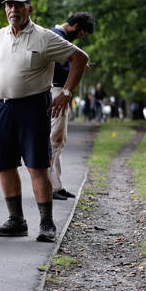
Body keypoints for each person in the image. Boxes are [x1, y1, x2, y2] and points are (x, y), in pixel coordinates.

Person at [0, 0, 88, 242]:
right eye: (9, 6)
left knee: (37, 165)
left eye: (19, 6)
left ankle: (47, 223)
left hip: (33, 108)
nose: (13, 11)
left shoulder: (45, 37)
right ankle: (16, 220)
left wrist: (66, 92)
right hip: (2, 109)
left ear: (29, 9)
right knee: (5, 165)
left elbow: (80, 58)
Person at [49, 12, 95, 200]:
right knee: (54, 139)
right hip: (57, 91)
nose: (80, 37)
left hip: (61, 92)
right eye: (81, 34)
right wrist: (79, 68)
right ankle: (50, 186)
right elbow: (58, 69)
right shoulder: (57, 38)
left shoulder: (59, 38)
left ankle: (56, 184)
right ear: (75, 26)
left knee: (60, 140)